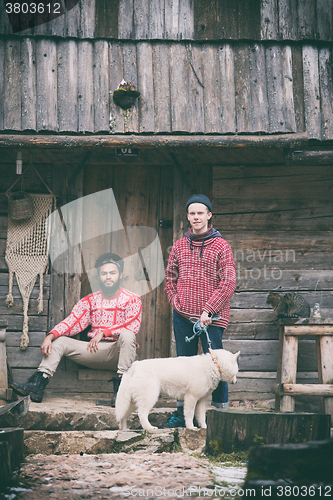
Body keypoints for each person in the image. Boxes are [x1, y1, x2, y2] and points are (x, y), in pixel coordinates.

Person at [11, 252, 142, 405]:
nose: (108, 276)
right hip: (94, 351)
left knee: (127, 335)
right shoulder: (90, 300)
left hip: (118, 353)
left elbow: (132, 326)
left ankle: (121, 393)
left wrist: (104, 332)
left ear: (120, 275)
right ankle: (38, 385)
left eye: (112, 273)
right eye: (104, 273)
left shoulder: (132, 299)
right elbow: (73, 321)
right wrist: (51, 336)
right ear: (99, 276)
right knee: (60, 341)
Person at [164, 194, 236, 427]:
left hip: (212, 318)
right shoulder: (179, 245)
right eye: (192, 213)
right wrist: (175, 301)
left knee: (216, 365)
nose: (196, 217)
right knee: (183, 365)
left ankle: (219, 414)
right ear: (188, 217)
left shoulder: (221, 246)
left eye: (200, 213)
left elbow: (228, 282)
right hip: (183, 316)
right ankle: (180, 413)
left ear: (209, 215)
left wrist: (209, 310)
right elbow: (170, 278)